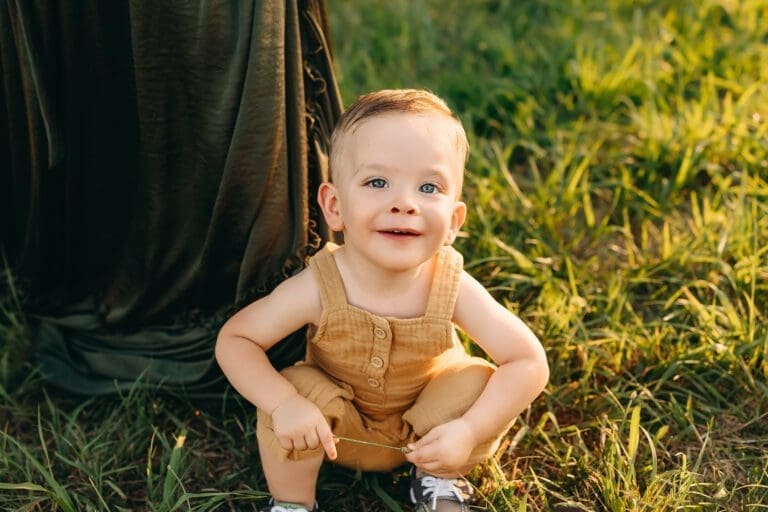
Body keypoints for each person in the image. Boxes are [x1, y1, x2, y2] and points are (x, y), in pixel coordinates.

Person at [215, 89, 549, 512]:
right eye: (377, 182)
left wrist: (468, 430)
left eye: (429, 187)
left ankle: (438, 485)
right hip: (333, 428)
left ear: (453, 221)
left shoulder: (450, 284)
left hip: (432, 433)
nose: (404, 204)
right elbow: (236, 339)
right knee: (294, 387)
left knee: (477, 380)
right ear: (334, 207)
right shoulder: (320, 286)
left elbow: (529, 361)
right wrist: (285, 405)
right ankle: (292, 502)